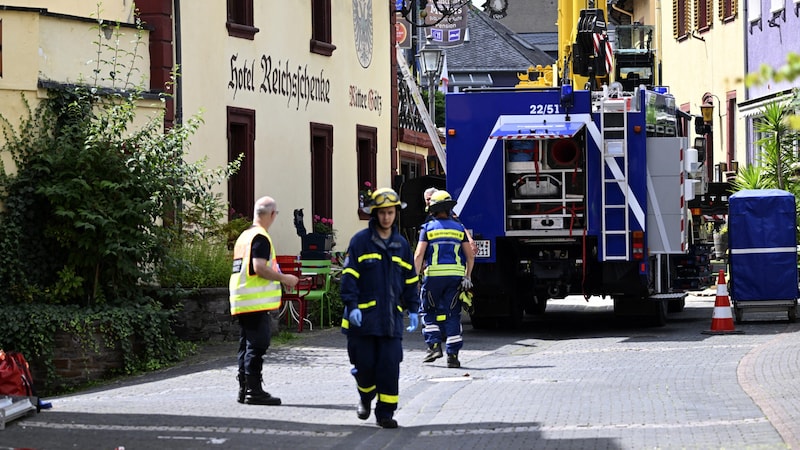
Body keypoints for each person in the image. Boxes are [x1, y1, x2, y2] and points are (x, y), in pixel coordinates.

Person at [340, 187, 421, 429]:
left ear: (395, 213)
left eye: (390, 212)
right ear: (374, 214)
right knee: (364, 367)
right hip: (362, 321)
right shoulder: (360, 242)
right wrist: (352, 306)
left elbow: (410, 279)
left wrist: (414, 308)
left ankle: (385, 413)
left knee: (389, 367)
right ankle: (365, 397)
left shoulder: (401, 245)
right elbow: (349, 278)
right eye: (382, 213)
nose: (386, 217)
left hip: (389, 321)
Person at [229, 196, 299, 406]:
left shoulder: (245, 236)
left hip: (242, 298)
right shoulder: (261, 238)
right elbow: (259, 267)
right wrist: (285, 278)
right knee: (258, 344)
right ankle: (254, 390)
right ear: (271, 214)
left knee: (246, 344)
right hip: (254, 300)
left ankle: (244, 388)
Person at [414, 190, 475, 369]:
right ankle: (453, 356)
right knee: (453, 314)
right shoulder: (458, 228)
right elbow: (470, 255)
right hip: (455, 277)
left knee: (427, 310)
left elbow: (419, 255)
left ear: (432, 209)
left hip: (433, 277)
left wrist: (414, 277)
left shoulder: (427, 229)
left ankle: (434, 346)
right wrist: (468, 275)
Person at [423, 187, 478, 255]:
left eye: (430, 198)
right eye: (427, 199)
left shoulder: (447, 213)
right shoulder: (429, 218)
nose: (429, 201)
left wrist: (470, 241)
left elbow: (461, 227)